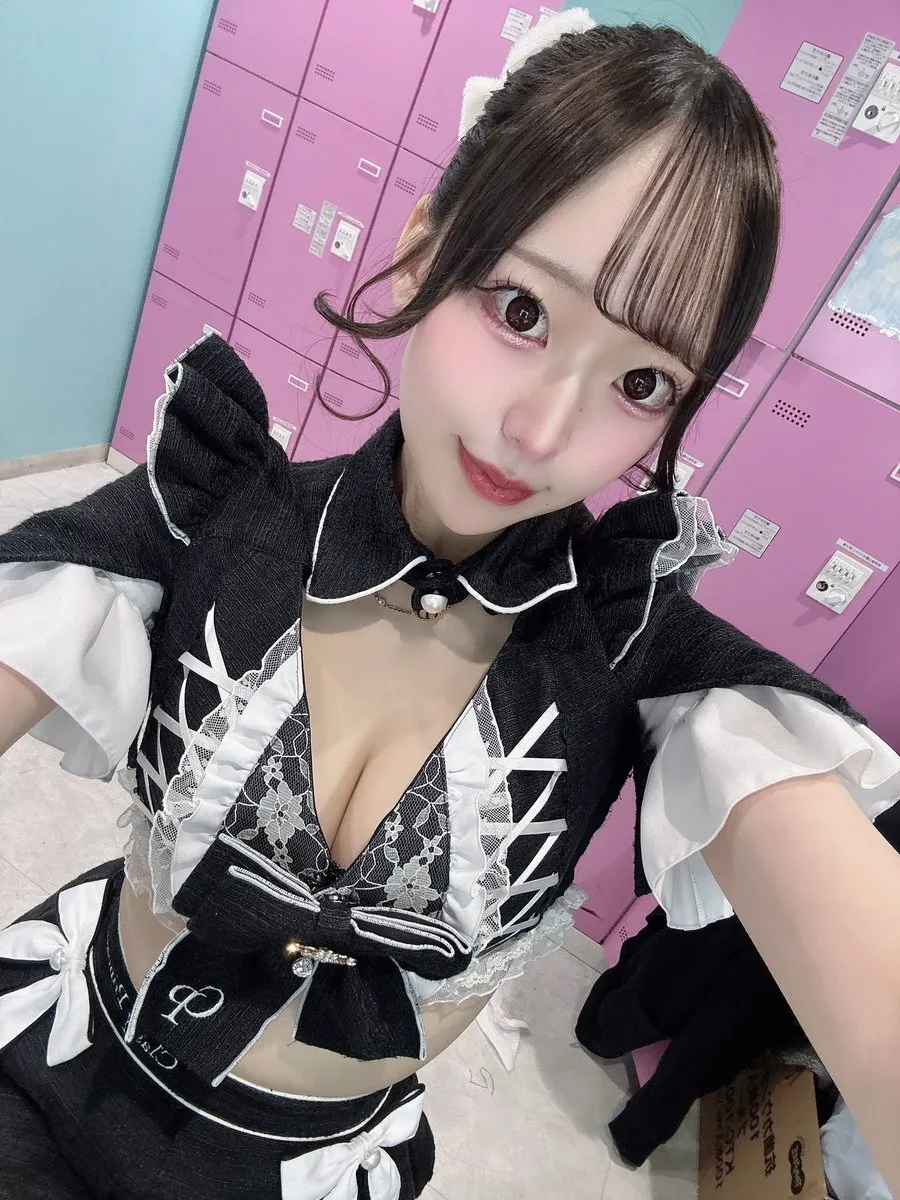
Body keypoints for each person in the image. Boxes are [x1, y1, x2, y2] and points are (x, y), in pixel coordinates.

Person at [1, 10, 899, 1198]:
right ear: (426, 247)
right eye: (522, 311)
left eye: (642, 381)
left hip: (314, 1172)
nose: (543, 431)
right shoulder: (207, 506)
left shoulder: (648, 662)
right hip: (63, 1062)